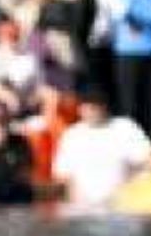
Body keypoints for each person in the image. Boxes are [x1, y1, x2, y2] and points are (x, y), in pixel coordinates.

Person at [52, 85, 151, 213]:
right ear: (80, 108)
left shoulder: (125, 128)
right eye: (87, 105)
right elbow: (64, 176)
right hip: (83, 212)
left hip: (122, 211)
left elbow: (147, 160)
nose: (92, 110)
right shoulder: (72, 135)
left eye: (96, 105)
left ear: (105, 106)